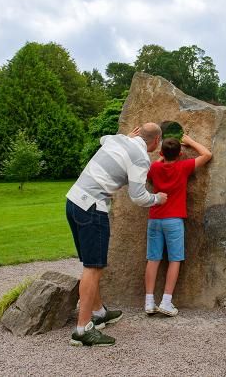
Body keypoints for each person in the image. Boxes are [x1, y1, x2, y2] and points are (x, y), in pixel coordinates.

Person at [65, 123, 168, 347]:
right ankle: (83, 330)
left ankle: (99, 312)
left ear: (138, 133)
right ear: (157, 141)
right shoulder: (141, 158)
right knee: (94, 267)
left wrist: (126, 136)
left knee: (90, 264)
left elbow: (103, 138)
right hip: (92, 208)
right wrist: (158, 198)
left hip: (73, 201)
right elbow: (138, 196)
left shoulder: (116, 140)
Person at [144, 134, 212, 317]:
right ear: (180, 153)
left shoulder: (155, 168)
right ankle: (166, 301)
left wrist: (160, 158)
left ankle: (149, 301)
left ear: (161, 152)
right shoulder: (183, 166)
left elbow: (151, 171)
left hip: (155, 218)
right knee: (175, 259)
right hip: (174, 220)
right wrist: (190, 141)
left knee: (153, 258)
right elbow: (207, 155)